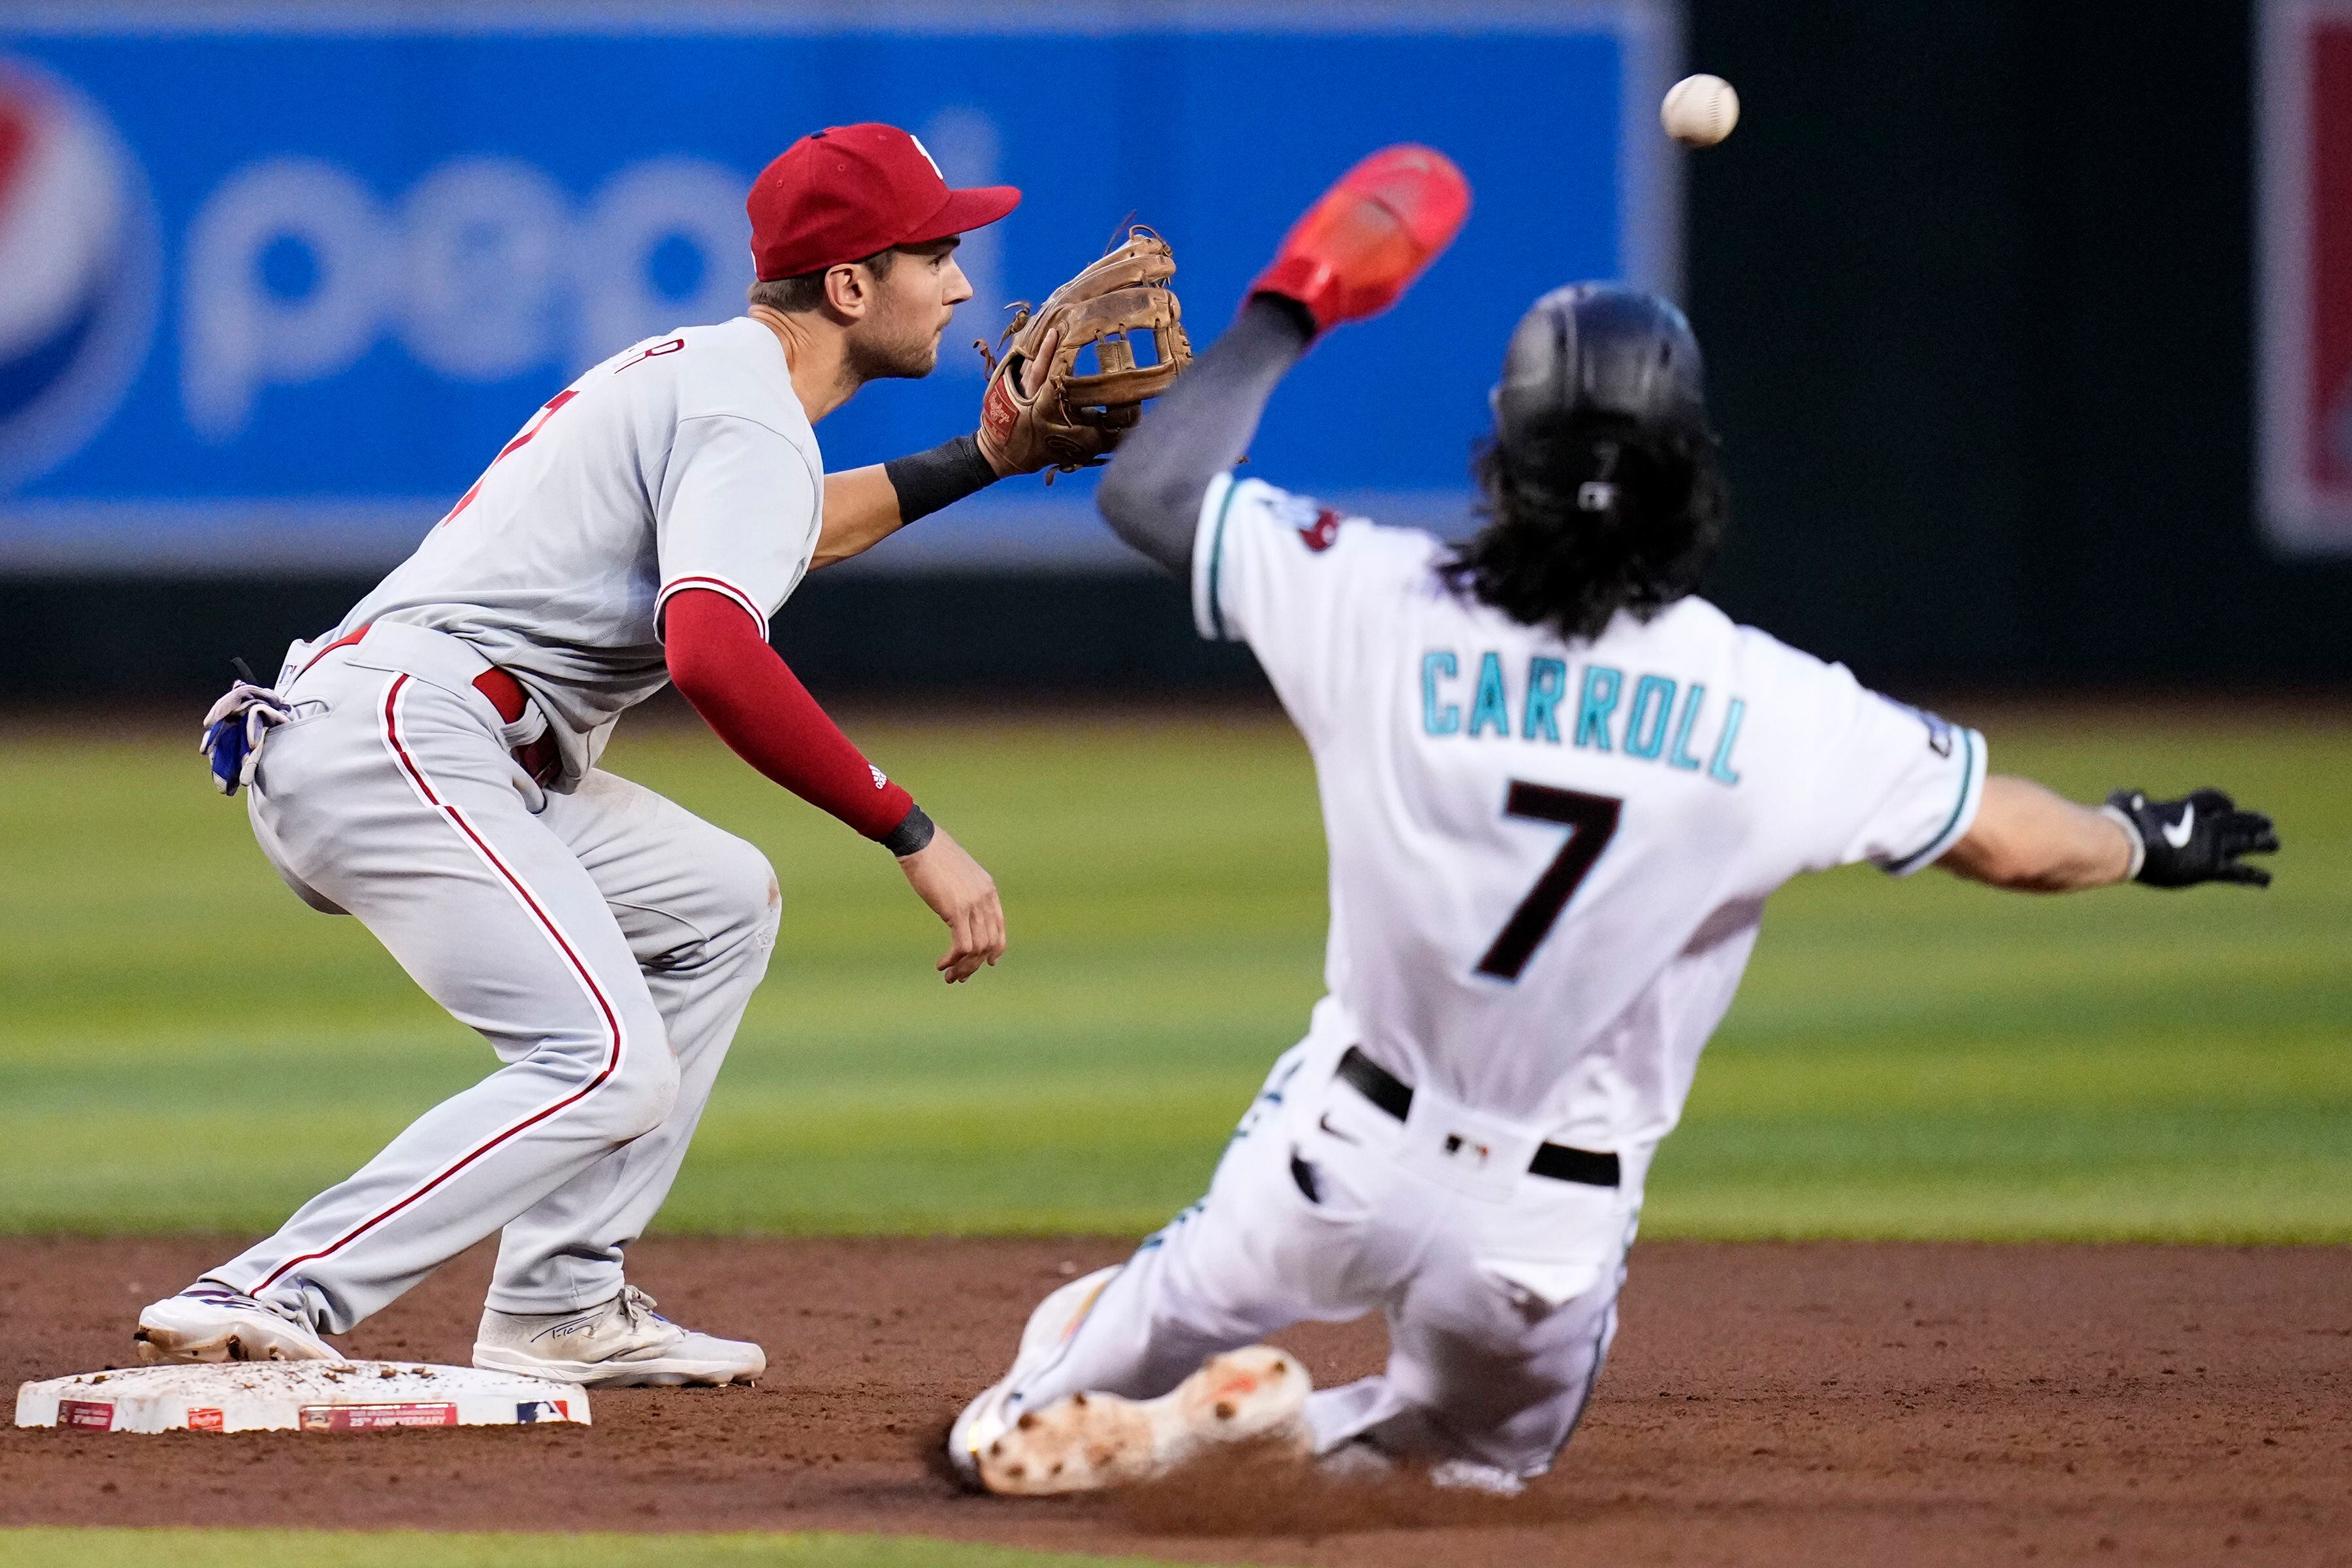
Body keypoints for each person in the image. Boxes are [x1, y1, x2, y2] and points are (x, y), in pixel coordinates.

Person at [949, 146, 2281, 1494]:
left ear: (1506, 453)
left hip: (1330, 1164)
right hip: (1544, 1234)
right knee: (1460, 1469)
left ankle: (1133, 1409)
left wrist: (1293, 303)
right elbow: (2013, 839)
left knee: (1016, 1425)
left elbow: (1152, 494)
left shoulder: (1374, 597)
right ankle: (1270, 1441)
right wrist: (2141, 838)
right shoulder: (1778, 706)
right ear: (1689, 472)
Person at [138, 123, 1124, 1386]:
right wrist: (909, 831)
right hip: (409, 736)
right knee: (602, 1061)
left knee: (718, 901)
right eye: (935, 252)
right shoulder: (748, 413)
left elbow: (787, 532)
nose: (967, 285)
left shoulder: (723, 385)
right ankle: (275, 1286)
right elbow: (714, 649)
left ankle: (562, 1301)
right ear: (849, 286)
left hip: (424, 737)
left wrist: (981, 459)